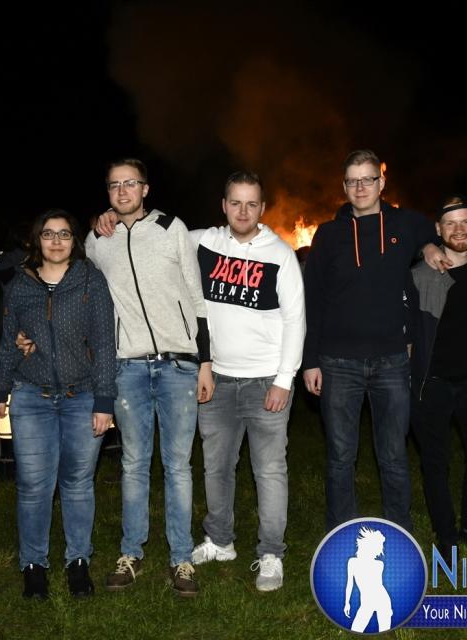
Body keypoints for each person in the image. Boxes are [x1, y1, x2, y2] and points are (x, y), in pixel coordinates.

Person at [85, 158, 212, 598]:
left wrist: (205, 361)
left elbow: (197, 296)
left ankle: (181, 558)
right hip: (128, 367)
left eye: (130, 183)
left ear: (145, 188)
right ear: (107, 192)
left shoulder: (171, 228)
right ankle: (131, 553)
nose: (122, 191)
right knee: (134, 464)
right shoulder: (98, 240)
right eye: (114, 185)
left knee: (178, 466)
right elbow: (76, 287)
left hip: (179, 365)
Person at [302, 149, 437, 532]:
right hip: (337, 362)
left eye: (368, 179)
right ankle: (341, 531)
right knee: (340, 456)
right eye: (353, 180)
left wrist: (429, 245)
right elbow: (314, 299)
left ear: (382, 182)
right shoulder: (328, 234)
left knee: (393, 456)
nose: (360, 187)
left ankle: (399, 530)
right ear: (344, 186)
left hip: (392, 360)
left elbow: (433, 231)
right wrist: (310, 360)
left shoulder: (405, 223)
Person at [187, 171, 305, 591]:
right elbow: (155, 235)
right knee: (216, 467)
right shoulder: (204, 242)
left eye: (251, 204)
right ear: (224, 205)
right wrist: (110, 221)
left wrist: (284, 379)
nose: (242, 211)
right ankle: (221, 541)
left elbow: (295, 320)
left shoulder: (280, 254)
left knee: (269, 470)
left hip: (265, 381)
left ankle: (271, 553)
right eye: (235, 202)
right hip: (216, 379)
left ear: (262, 208)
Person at [0, 209, 116, 599]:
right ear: (37, 240)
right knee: (33, 486)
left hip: (82, 396)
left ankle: (78, 561)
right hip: (31, 397)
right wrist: (0, 392)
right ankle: (34, 565)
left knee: (78, 484)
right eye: (48, 234)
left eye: (64, 234)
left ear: (74, 240)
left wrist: (104, 400)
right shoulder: (20, 285)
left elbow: (105, 342)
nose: (56, 241)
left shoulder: (90, 280)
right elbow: (8, 340)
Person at [408, 195, 467, 561]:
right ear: (438, 229)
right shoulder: (420, 275)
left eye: (466, 222)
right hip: (431, 383)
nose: (459, 229)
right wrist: (424, 246)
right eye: (450, 223)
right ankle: (446, 536)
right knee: (436, 462)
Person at [344, 527, 392, 632]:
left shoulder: (379, 564)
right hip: (367, 602)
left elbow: (378, 585)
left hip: (382, 600)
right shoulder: (352, 562)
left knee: (385, 631)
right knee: (356, 629)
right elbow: (349, 584)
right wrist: (347, 603)